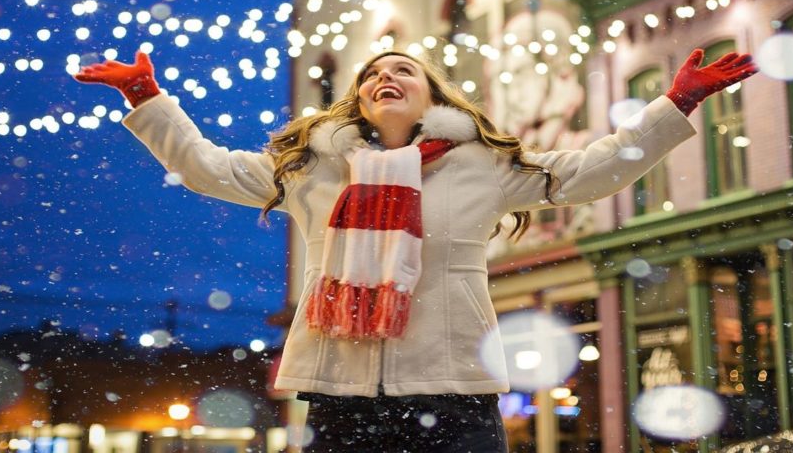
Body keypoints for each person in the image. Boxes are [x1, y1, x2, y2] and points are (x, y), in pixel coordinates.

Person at [75, 47, 756, 452]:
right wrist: (147, 95)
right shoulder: (312, 166)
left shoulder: (480, 164)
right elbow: (204, 168)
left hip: (455, 388)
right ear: (360, 100)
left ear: (431, 95)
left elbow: (591, 171)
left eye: (402, 70)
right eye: (372, 75)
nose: (384, 78)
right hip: (343, 392)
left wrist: (676, 104)